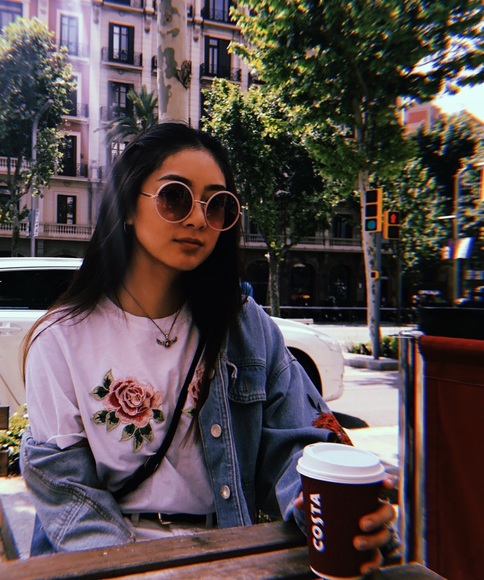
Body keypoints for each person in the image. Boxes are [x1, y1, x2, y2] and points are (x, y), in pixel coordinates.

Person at [20, 122, 397, 572]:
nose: (199, 219)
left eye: (217, 205)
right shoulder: (60, 340)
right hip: (111, 561)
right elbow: (68, 493)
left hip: (228, 554)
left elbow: (299, 443)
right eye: (175, 197)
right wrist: (139, 570)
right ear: (127, 206)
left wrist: (321, 503)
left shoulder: (244, 325)